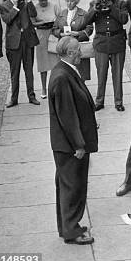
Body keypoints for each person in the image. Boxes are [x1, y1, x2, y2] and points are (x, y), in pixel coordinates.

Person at [48, 37, 98, 245]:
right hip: (69, 147)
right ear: (69, 53)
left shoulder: (65, 70)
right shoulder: (61, 76)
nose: (82, 52)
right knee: (73, 187)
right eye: (78, 49)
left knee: (69, 185)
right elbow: (67, 115)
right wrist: (78, 144)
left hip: (69, 144)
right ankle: (71, 231)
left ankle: (68, 227)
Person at [81, 0, 129, 111]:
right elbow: (86, 21)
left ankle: (118, 101)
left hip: (117, 41)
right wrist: (95, 8)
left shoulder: (120, 4)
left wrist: (111, 7)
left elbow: (124, 19)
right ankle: (99, 101)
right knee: (101, 74)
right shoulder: (94, 3)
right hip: (101, 42)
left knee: (117, 74)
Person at [0, 0, 40, 107]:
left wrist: (28, 0)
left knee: (29, 70)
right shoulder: (4, 5)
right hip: (14, 43)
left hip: (27, 41)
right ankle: (14, 98)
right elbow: (7, 20)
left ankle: (31, 96)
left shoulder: (25, 4)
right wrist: (15, 6)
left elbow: (34, 14)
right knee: (14, 72)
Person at [52, 0, 93, 82]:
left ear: (76, 2)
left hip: (78, 46)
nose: (69, 3)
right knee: (66, 72)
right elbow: (54, 29)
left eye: (71, 1)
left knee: (81, 73)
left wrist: (78, 33)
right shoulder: (62, 14)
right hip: (65, 47)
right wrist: (61, 34)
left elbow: (89, 29)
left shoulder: (83, 13)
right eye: (67, 1)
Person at [31, 0, 60, 99]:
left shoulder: (54, 6)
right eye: (41, 0)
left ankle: (55, 87)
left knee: (55, 62)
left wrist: (55, 24)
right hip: (41, 36)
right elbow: (32, 22)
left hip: (52, 34)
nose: (43, 2)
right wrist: (41, 22)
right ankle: (43, 88)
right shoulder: (34, 8)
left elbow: (60, 19)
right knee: (43, 64)